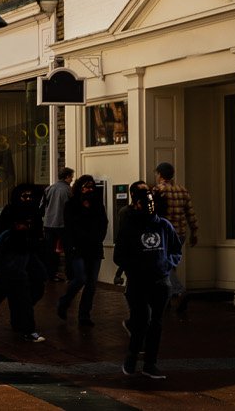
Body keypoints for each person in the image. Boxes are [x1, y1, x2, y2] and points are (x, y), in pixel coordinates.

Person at [113, 179, 182, 380]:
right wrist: (134, 269)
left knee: (156, 323)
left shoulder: (164, 225)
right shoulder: (129, 226)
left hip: (160, 282)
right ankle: (131, 358)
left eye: (152, 202)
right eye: (145, 202)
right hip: (138, 282)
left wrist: (166, 264)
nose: (150, 205)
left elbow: (176, 249)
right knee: (142, 320)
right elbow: (119, 255)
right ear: (136, 204)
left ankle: (150, 364)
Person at [0, 182, 46, 343]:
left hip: (24, 264)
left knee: (26, 297)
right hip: (7, 267)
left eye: (30, 196)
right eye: (24, 196)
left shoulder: (34, 214)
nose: (28, 199)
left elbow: (36, 239)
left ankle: (27, 328)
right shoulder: (9, 218)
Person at [56, 175, 107, 326]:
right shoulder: (71, 205)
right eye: (86, 187)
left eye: (91, 187)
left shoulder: (97, 204)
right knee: (80, 278)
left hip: (94, 247)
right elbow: (69, 227)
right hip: (77, 248)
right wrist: (73, 244)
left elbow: (103, 223)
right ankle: (65, 302)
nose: (89, 190)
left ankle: (84, 315)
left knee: (91, 283)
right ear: (79, 188)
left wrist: (98, 238)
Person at [152, 162, 198, 317]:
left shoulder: (158, 190)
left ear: (160, 174)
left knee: (164, 266)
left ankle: (179, 291)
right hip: (180, 233)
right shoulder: (182, 190)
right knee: (171, 265)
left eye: (157, 173)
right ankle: (168, 299)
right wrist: (194, 232)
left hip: (165, 234)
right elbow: (190, 213)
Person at [41, 167, 73, 281]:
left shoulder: (49, 188)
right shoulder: (68, 190)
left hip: (49, 223)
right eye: (71, 177)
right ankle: (70, 275)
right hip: (63, 224)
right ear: (67, 177)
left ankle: (51, 274)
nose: (72, 179)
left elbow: (42, 205)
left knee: (50, 251)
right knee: (69, 251)